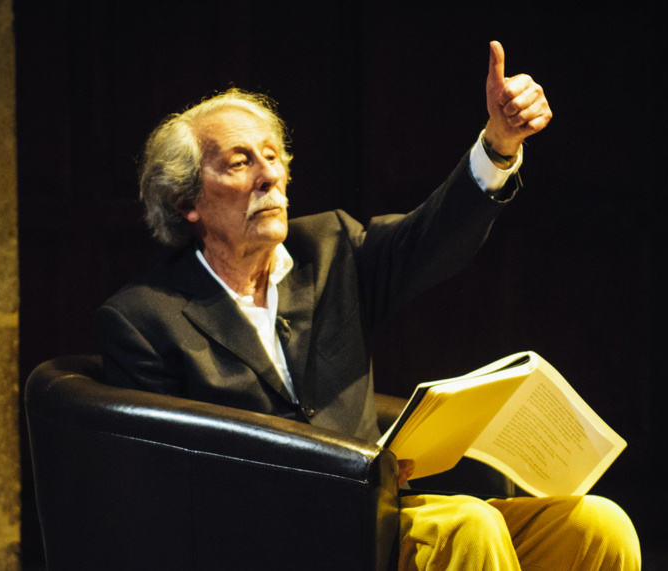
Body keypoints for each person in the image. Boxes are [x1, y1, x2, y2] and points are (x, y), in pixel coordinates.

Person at [95, 41, 640, 570]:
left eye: (272, 156)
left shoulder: (329, 248)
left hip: (377, 520)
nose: (270, 176)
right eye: (240, 163)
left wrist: (498, 147)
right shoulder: (145, 318)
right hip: (274, 540)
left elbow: (429, 240)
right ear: (188, 200)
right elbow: (173, 487)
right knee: (467, 528)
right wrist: (350, 470)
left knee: (598, 527)